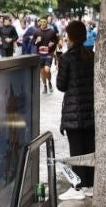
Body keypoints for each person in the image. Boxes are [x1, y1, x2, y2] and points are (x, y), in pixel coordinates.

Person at [55, 18, 95, 191]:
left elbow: (61, 86)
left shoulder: (66, 58)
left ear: (69, 36)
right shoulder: (92, 56)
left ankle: (79, 186)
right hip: (91, 112)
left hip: (73, 113)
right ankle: (91, 185)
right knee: (89, 150)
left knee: (77, 152)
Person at [34, 19, 56, 92]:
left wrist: (52, 44)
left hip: (48, 54)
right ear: (39, 23)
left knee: (47, 70)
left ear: (47, 23)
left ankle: (49, 82)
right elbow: (32, 42)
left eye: (44, 22)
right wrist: (37, 41)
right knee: (42, 71)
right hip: (40, 54)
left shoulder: (52, 32)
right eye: (41, 22)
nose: (42, 23)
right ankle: (45, 86)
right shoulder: (37, 32)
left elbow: (56, 40)